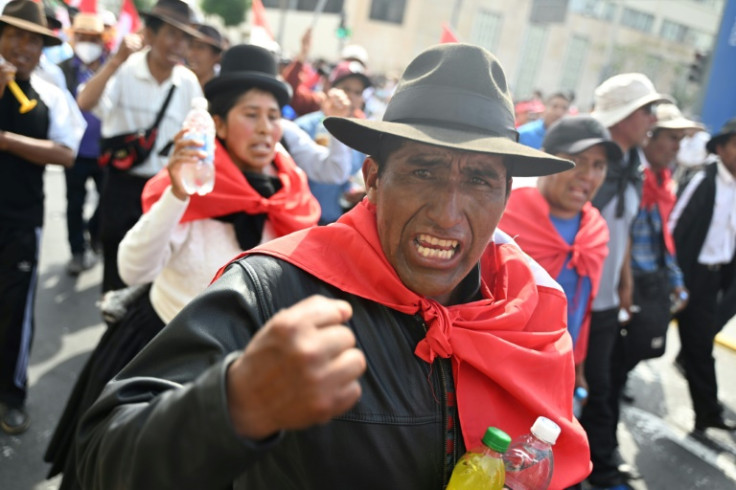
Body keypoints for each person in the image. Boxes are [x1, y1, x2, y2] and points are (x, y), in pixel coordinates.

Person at [74, 43, 590, 489]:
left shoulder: (529, 309)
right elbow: (104, 458)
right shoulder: (274, 288)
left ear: (505, 199)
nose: (448, 212)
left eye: (479, 180)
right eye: (423, 170)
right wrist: (232, 406)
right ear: (372, 177)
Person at [44, 43, 321, 490]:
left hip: (241, 376)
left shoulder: (293, 197)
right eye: (251, 114)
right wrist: (176, 194)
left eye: (274, 116)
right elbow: (132, 269)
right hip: (158, 352)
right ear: (218, 123)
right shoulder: (189, 183)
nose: (266, 128)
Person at [76, 0, 203, 292]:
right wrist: (115, 61)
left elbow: (198, 138)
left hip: (163, 191)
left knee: (154, 275)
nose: (179, 44)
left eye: (186, 38)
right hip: (120, 186)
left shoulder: (188, 84)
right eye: (172, 34)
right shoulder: (124, 68)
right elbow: (85, 102)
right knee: (116, 268)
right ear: (150, 33)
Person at [0, 0, 85, 435]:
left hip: (19, 220)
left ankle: (11, 397)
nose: (22, 47)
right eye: (13, 35)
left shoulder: (51, 94)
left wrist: (8, 141)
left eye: (32, 40)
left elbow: (67, 153)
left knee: (15, 311)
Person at [583, 73, 671, 489]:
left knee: (603, 385)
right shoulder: (586, 162)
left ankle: (600, 464)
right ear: (622, 117)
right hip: (575, 298)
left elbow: (621, 229)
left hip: (605, 302)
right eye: (646, 110)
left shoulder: (635, 167)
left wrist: (624, 283)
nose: (653, 119)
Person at [499, 115, 619, 396]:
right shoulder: (502, 216)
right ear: (547, 160)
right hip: (501, 361)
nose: (588, 175)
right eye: (576, 161)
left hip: (557, 367)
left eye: (599, 166)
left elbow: (581, 309)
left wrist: (577, 367)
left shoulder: (595, 231)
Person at [669, 117, 736, 434]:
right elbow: (674, 225)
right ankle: (610, 385)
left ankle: (707, 412)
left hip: (712, 278)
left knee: (699, 348)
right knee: (645, 335)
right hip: (684, 273)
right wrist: (671, 274)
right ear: (721, 148)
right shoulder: (704, 179)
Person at [59, 12, 107, 275]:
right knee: (74, 203)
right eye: (83, 38)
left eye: (93, 38)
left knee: (107, 200)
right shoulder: (64, 69)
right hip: (74, 152)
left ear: (102, 40)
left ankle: (95, 234)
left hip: (105, 152)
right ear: (74, 39)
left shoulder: (112, 66)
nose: (88, 43)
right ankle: (77, 251)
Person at [296, 60, 371, 223]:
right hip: (301, 222)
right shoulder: (304, 127)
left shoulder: (362, 135)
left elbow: (351, 177)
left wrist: (359, 192)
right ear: (329, 89)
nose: (351, 97)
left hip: (335, 223)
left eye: (358, 92)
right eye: (346, 89)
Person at [187, 23, 222, 88]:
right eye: (191, 46)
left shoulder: (221, 92)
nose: (192, 53)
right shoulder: (179, 86)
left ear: (216, 56)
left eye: (200, 47)